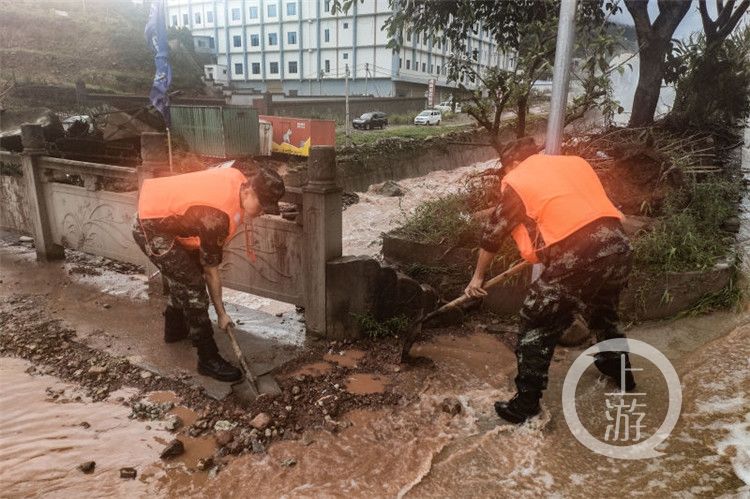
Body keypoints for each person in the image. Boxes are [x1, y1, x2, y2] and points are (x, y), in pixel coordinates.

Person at [465, 138, 635, 424]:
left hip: (583, 253)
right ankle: (622, 374)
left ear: (513, 163)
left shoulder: (518, 179)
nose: (506, 174)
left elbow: (493, 232)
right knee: (602, 311)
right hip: (619, 246)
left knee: (536, 318)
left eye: (506, 168)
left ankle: (526, 404)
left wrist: (477, 278)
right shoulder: (573, 164)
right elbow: (575, 213)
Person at [132, 162, 285, 382]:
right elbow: (211, 271)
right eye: (261, 206)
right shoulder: (217, 218)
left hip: (168, 220)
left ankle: (174, 330)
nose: (261, 213)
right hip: (150, 226)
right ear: (249, 190)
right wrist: (222, 314)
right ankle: (207, 357)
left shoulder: (237, 178)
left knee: (184, 274)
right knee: (193, 285)